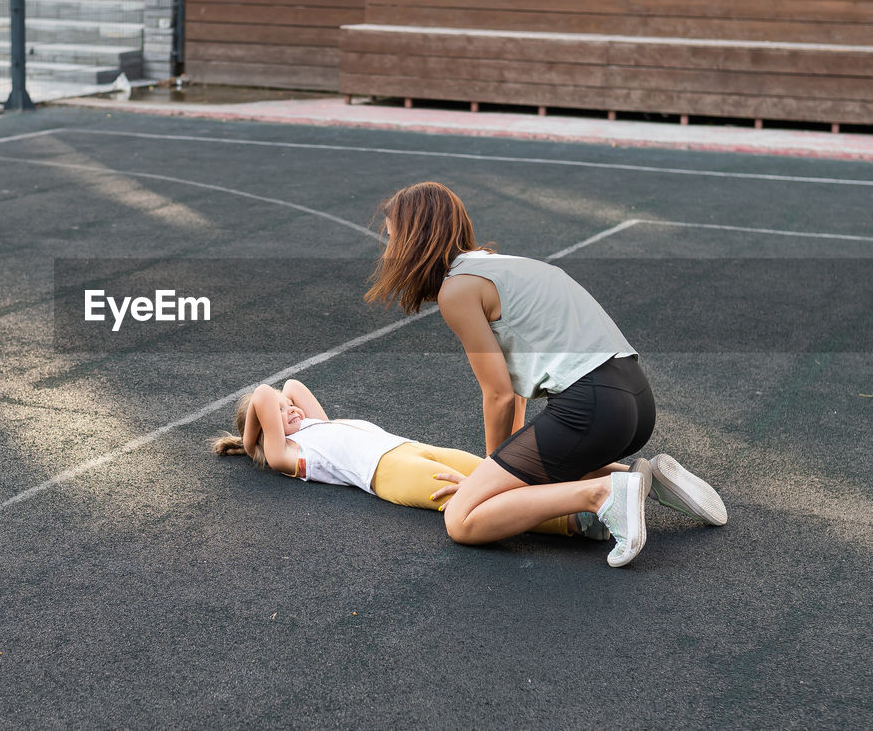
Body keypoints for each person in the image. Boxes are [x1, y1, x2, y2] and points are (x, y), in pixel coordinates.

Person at [364, 181, 726, 567]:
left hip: (594, 408)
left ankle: (603, 492)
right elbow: (516, 392)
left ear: (416, 237)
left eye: (391, 238)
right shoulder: (502, 266)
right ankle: (646, 475)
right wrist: (501, 469)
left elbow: (499, 394)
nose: (387, 252)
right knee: (534, 472)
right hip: (635, 400)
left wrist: (490, 480)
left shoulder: (458, 290)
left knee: (462, 520)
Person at [212, 378, 611, 540]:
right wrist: (253, 444)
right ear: (267, 432)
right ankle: (577, 518)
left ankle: (621, 478)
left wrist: (284, 405)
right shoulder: (289, 455)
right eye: (280, 413)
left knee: (505, 471)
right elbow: (264, 393)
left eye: (288, 405)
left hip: (411, 447)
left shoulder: (317, 424)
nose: (289, 406)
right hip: (390, 473)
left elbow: (292, 385)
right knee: (474, 496)